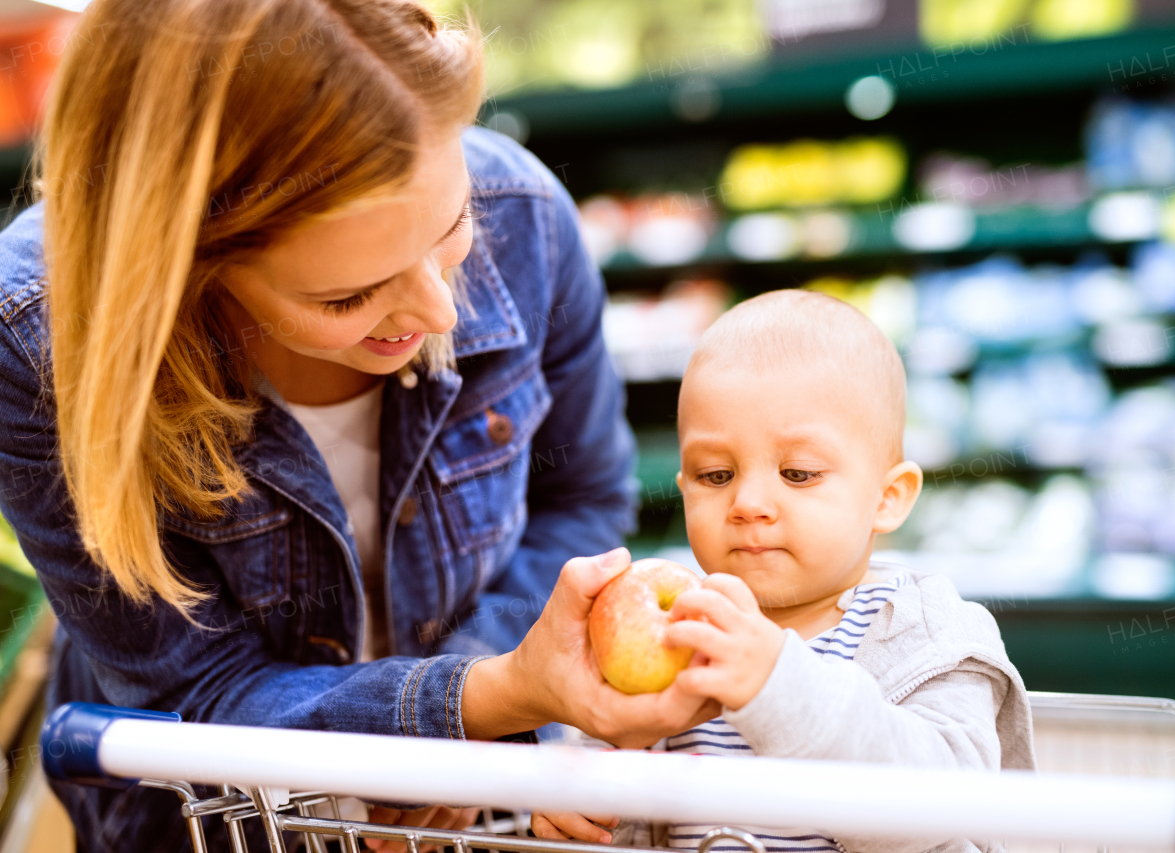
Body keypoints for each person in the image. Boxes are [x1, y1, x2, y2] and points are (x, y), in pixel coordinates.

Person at [0, 2, 715, 851]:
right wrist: (473, 702)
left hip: (487, 819)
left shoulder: (526, 217)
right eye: (347, 295)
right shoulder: (38, 339)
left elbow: (582, 497)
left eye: (451, 230)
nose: (440, 306)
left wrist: (472, 722)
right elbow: (197, 691)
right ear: (187, 261)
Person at [531, 290, 1036, 853]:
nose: (748, 502)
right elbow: (629, 806)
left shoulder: (930, 631)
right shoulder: (682, 626)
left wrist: (779, 686)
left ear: (888, 498)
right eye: (716, 476)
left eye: (797, 473)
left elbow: (946, 803)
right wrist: (584, 795)